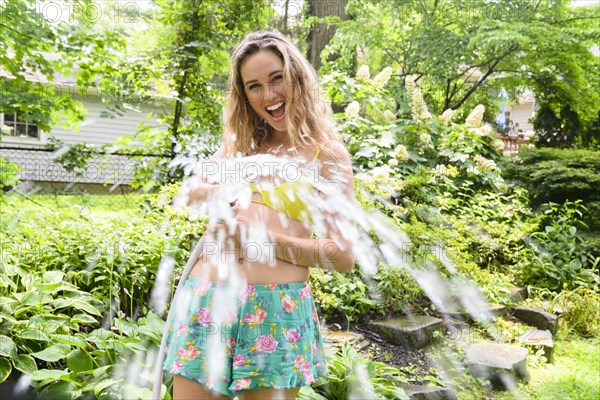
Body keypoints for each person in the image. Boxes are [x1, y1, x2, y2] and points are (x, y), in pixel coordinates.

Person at [161, 30, 357, 400]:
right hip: (208, 298)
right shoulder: (240, 144)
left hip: (276, 309)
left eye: (277, 79)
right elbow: (192, 192)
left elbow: (343, 256)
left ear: (296, 77)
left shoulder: (327, 156)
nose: (268, 96)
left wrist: (267, 242)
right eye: (254, 86)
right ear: (244, 95)